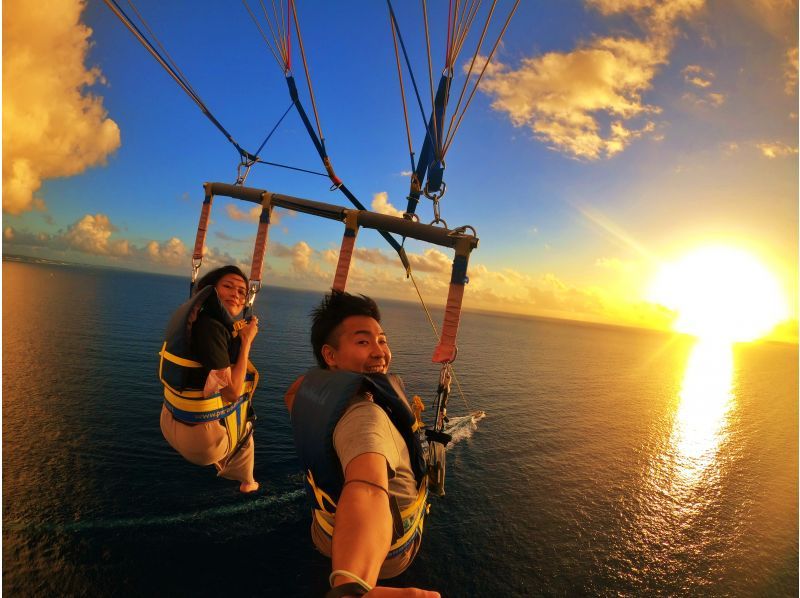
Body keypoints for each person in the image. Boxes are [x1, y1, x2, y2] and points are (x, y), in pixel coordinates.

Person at [285, 291, 440, 598]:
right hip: (385, 554)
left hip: (326, 532)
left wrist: (328, 379)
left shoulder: (313, 396)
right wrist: (349, 586)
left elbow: (293, 393)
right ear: (331, 356)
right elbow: (368, 487)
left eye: (382, 340)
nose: (380, 351)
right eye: (363, 342)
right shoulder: (365, 417)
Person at [159, 265, 260, 493]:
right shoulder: (211, 327)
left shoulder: (194, 319)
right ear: (211, 290)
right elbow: (231, 392)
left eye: (242, 292)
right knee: (245, 416)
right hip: (200, 441)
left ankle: (241, 474)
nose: (236, 293)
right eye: (228, 286)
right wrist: (246, 343)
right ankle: (247, 481)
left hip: (169, 420)